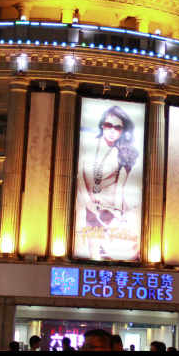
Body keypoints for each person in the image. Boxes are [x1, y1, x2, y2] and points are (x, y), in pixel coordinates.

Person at [76, 104, 142, 261]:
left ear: (123, 130)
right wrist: (89, 204)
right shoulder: (87, 145)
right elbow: (79, 178)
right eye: (109, 125)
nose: (113, 130)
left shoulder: (124, 153)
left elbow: (120, 189)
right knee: (93, 256)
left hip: (112, 210)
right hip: (90, 207)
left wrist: (117, 213)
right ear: (102, 125)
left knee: (114, 255)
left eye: (118, 127)